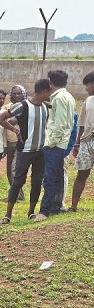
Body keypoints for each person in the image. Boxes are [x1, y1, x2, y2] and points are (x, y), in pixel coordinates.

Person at [0, 79, 52, 223]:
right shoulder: (22, 106)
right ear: (45, 91)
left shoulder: (46, 107)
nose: (51, 94)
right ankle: (7, 215)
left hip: (41, 151)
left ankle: (31, 212)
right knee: (18, 182)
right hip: (25, 151)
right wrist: (15, 130)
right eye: (50, 91)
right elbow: (0, 118)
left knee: (37, 182)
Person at [34, 70, 76, 221]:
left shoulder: (59, 98)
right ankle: (55, 207)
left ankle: (44, 211)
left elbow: (60, 124)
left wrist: (51, 143)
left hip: (55, 145)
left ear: (51, 82)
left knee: (50, 178)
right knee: (57, 177)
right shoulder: (68, 96)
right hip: (61, 143)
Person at [70, 72, 94, 211]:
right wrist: (77, 143)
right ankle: (74, 206)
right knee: (82, 174)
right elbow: (82, 123)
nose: (86, 88)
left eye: (87, 85)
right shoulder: (88, 101)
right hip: (86, 141)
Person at [3, 85, 28, 200]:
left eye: (19, 93)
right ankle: (19, 194)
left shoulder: (27, 106)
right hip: (10, 141)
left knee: (15, 168)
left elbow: (12, 121)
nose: (17, 95)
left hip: (22, 142)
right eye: (15, 94)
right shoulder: (7, 107)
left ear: (24, 94)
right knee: (10, 170)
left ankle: (15, 195)